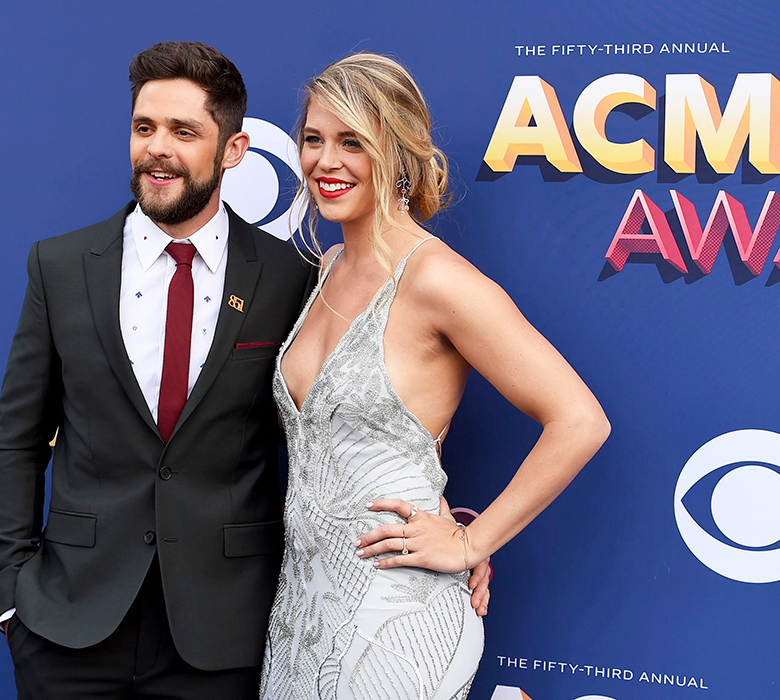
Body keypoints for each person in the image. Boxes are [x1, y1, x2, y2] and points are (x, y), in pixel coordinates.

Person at [0, 42, 492, 700]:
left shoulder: (291, 278)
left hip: (223, 638)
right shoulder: (59, 267)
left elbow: (344, 424)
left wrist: (461, 531)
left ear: (233, 150)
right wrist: (11, 595)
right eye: (145, 128)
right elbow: (18, 438)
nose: (158, 148)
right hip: (68, 626)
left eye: (184, 131)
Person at [260, 53, 610, 700]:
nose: (324, 162)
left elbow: (580, 419)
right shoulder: (327, 265)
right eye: (314, 139)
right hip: (303, 616)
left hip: (397, 615)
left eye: (353, 143)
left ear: (398, 153)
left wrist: (472, 541)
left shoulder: (439, 281)